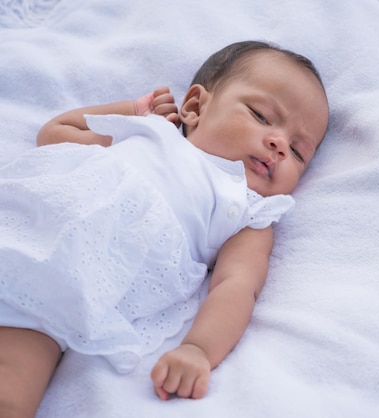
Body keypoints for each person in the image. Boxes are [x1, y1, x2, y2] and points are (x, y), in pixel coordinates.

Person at [0, 40, 329, 418]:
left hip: (60, 287)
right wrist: (133, 110)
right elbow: (55, 133)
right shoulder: (149, 131)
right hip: (20, 217)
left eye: (299, 151)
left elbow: (237, 286)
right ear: (194, 107)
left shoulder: (248, 212)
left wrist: (199, 349)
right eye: (261, 115)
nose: (279, 143)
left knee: (12, 388)